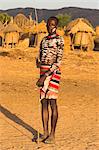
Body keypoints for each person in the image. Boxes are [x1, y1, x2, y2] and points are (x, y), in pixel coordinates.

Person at [36, 16, 64, 144]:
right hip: (43, 71)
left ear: (56, 26)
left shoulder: (59, 40)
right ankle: (45, 132)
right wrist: (38, 62)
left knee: (52, 102)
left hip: (53, 73)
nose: (49, 26)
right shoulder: (43, 40)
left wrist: (45, 75)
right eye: (48, 24)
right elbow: (41, 56)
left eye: (52, 24)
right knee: (44, 102)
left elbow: (58, 61)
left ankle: (52, 134)